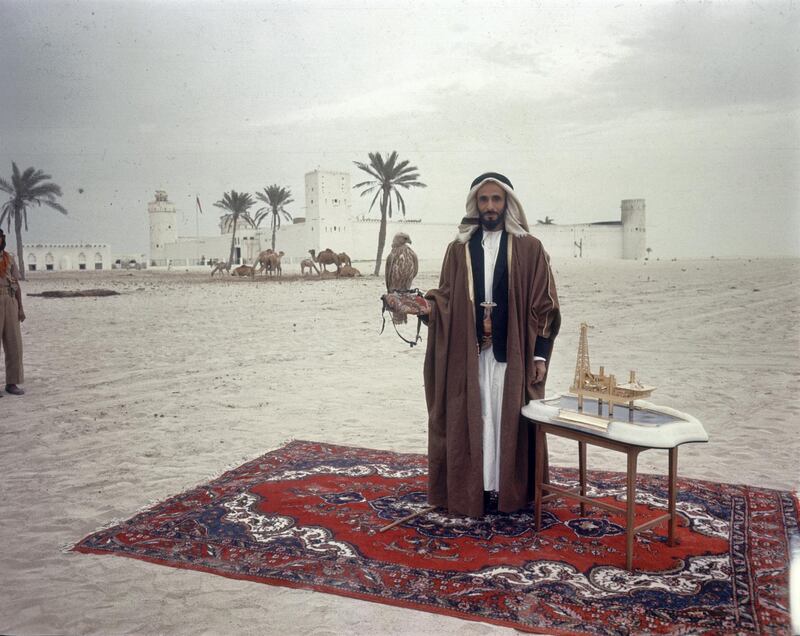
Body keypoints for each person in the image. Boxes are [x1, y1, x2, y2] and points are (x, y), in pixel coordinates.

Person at [420, 172, 560, 516]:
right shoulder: (459, 249)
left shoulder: (530, 248)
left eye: (496, 200)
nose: (490, 207)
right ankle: (476, 490)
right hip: (470, 356)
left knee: (507, 417)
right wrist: (425, 308)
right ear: (475, 205)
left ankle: (510, 491)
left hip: (512, 355)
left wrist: (540, 355)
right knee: (475, 416)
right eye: (484, 200)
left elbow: (546, 307)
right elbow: (447, 299)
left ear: (507, 203)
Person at [0, 228, 25, 396]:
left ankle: (12, 382)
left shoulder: (9, 259)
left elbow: (16, 283)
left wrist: (20, 307)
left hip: (10, 301)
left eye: (0, 238)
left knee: (14, 343)